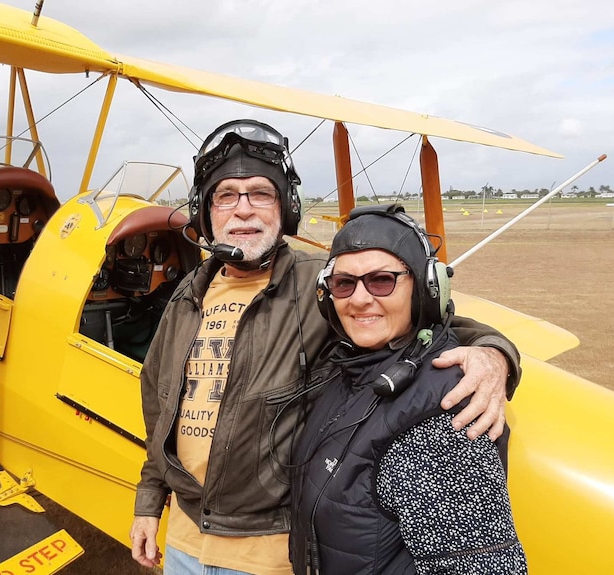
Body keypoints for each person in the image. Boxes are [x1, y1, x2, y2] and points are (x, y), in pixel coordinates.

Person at [131, 120, 521, 575]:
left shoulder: (326, 283)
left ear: (285, 208)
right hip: (184, 540)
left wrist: (493, 355)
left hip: (268, 553)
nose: (243, 210)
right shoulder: (186, 296)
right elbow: (160, 410)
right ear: (205, 211)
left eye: (260, 193)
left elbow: (425, 318)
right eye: (226, 195)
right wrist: (149, 501)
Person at [289, 204, 527, 574]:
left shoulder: (442, 412)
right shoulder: (351, 370)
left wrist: (495, 355)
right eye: (343, 283)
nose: (359, 298)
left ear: (426, 290)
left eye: (382, 280)